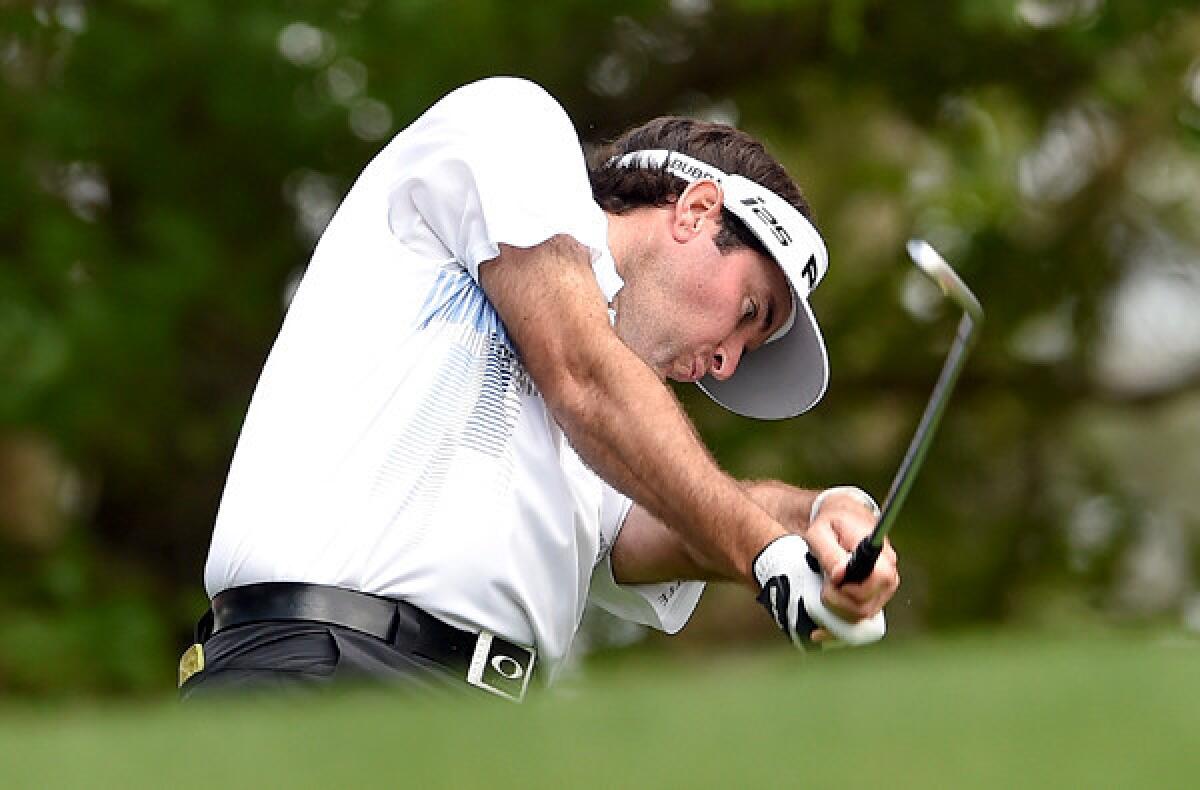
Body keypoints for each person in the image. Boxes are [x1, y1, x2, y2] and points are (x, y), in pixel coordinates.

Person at [179, 76, 899, 701]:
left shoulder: (620, 432)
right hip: (320, 673)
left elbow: (677, 518)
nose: (727, 365)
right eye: (749, 313)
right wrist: (763, 555)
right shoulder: (511, 127)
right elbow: (582, 375)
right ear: (697, 210)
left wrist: (813, 522)